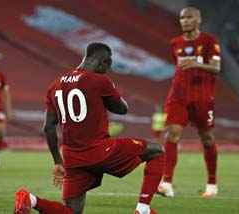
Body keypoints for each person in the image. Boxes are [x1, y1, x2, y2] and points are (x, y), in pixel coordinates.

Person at [14, 43, 165, 214]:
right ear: (102, 62)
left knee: (71, 211)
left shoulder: (55, 85)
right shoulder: (100, 81)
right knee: (157, 151)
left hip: (72, 157)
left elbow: (48, 127)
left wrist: (57, 161)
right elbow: (123, 109)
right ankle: (143, 209)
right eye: (107, 66)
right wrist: (109, 92)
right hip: (100, 151)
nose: (107, 71)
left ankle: (31, 200)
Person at [157, 7, 221, 198]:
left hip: (202, 97)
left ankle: (212, 184)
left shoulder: (209, 41)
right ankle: (166, 183)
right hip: (178, 96)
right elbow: (178, 67)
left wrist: (196, 64)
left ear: (198, 20)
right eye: (182, 17)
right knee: (170, 134)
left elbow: (216, 67)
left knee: (206, 137)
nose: (184, 21)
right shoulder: (174, 43)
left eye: (189, 17)